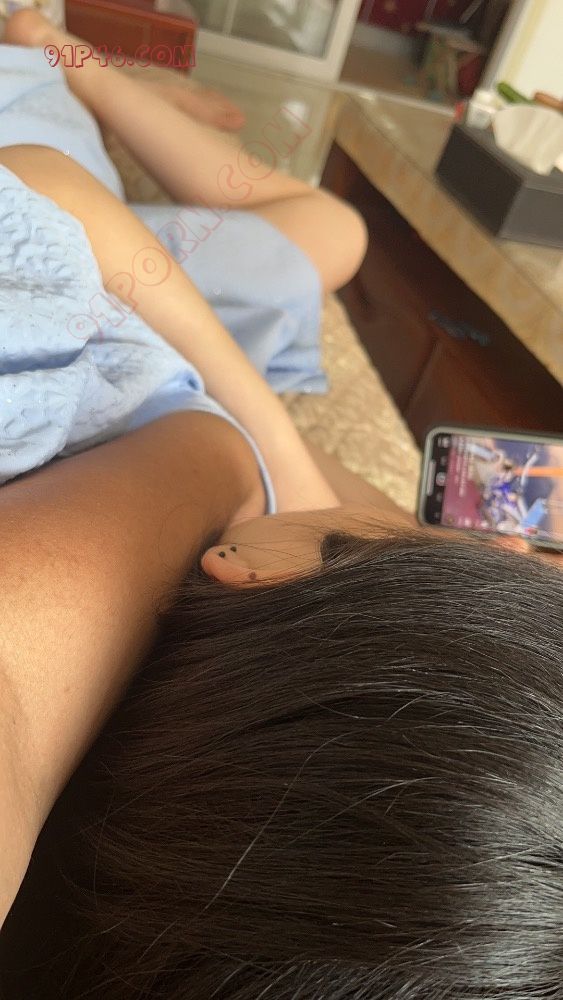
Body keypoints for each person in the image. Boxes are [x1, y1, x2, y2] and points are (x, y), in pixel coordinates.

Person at [0, 12, 563, 999]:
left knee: (327, 229)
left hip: (35, 129)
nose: (515, 553)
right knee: (331, 235)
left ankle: (62, 51)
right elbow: (337, 532)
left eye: (460, 567)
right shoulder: (212, 711)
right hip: (144, 293)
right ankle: (96, 75)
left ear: (261, 574)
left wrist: (243, 453)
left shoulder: (177, 468)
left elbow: (42, 184)